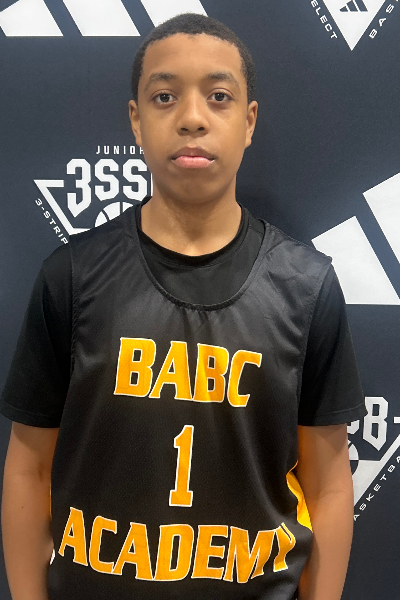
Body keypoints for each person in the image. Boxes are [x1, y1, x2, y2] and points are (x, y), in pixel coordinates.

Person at [0, 12, 367, 600]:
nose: (192, 118)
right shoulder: (70, 278)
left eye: (219, 97)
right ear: (136, 121)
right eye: (165, 96)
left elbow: (328, 485)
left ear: (249, 122)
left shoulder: (307, 287)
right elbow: (29, 467)